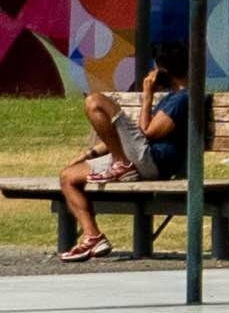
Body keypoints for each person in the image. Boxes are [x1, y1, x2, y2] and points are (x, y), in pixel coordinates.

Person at [50, 29, 191, 262]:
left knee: (95, 101)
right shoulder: (170, 97)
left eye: (155, 68)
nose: (152, 73)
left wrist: (147, 97)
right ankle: (93, 237)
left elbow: (148, 134)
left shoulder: (184, 99)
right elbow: (126, 137)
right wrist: (90, 153)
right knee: (68, 176)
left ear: (163, 71)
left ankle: (121, 164)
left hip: (154, 162)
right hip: (139, 159)